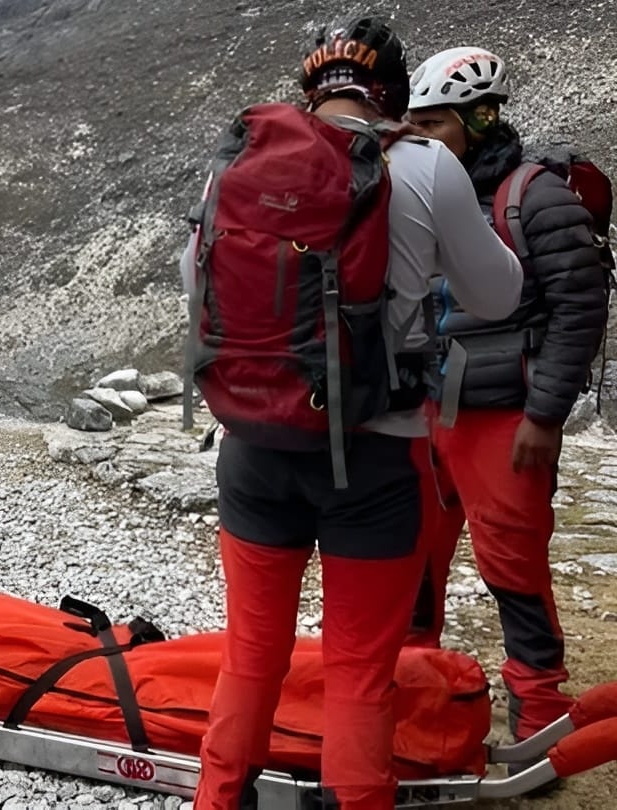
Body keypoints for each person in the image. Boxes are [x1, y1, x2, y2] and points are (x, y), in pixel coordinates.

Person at [181, 16, 523, 809]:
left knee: (252, 654)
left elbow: (194, 281)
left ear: (311, 92)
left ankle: (217, 798)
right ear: (394, 95)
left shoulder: (239, 159)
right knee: (360, 674)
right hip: (376, 455)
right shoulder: (428, 164)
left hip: (255, 448)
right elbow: (497, 294)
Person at [402, 46, 609, 750]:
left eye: (433, 125)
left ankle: (538, 703)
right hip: (432, 412)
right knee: (414, 554)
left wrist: (545, 417)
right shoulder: (427, 197)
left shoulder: (535, 196)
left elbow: (581, 303)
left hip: (507, 419)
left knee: (511, 563)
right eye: (415, 124)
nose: (419, 139)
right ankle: (414, 683)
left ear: (479, 120)